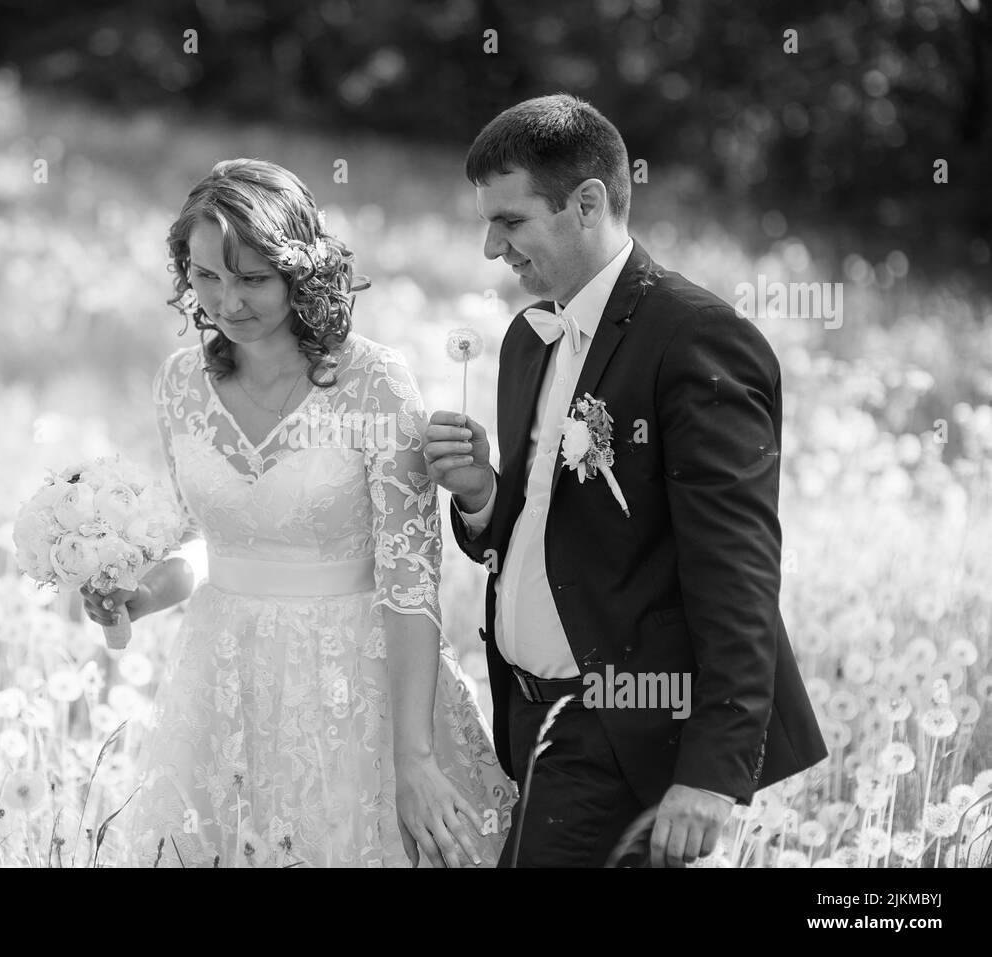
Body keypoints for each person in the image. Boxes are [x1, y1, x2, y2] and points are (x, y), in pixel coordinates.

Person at [425, 94, 828, 867]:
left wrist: (713, 774)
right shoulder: (527, 339)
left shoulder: (696, 338)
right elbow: (557, 530)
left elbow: (739, 570)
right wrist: (482, 496)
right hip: (526, 728)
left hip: (623, 729)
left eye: (509, 222)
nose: (488, 248)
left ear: (587, 203)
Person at [84, 158, 513, 867]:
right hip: (223, 689)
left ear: (300, 272)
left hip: (355, 695)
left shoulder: (374, 382)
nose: (227, 301)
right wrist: (140, 593)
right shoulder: (178, 385)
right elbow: (205, 542)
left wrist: (413, 759)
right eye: (204, 276)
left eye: (252, 278)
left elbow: (410, 583)